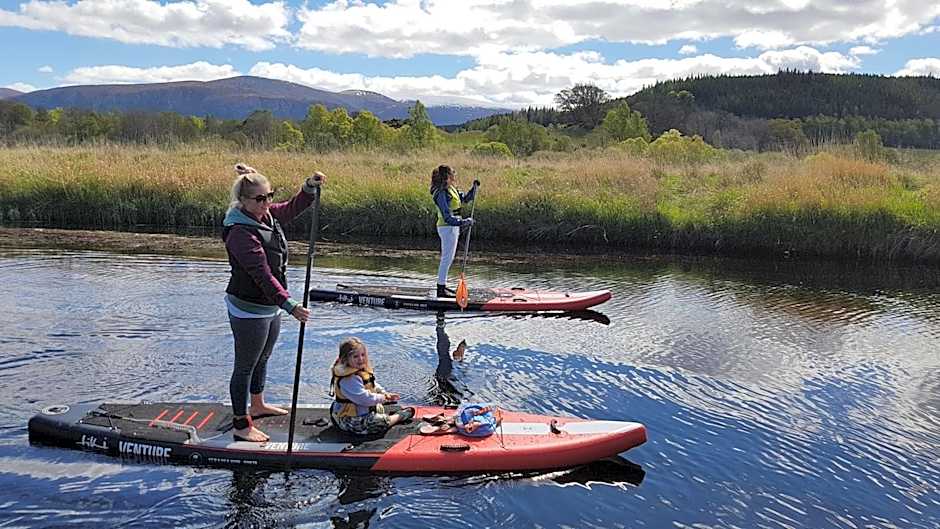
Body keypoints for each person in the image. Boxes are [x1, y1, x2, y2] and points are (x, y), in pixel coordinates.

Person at [223, 162, 325, 442]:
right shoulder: (240, 233)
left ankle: (257, 405)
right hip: (248, 307)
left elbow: (291, 208)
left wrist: (308, 188)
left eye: (269, 196)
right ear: (242, 201)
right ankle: (241, 424)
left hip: (269, 306)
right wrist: (290, 305)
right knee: (245, 365)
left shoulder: (266, 215)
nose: (267, 202)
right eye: (259, 198)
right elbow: (262, 275)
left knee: (263, 357)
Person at [330, 337, 416, 435]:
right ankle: (398, 417)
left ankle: (381, 411)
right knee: (378, 423)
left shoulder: (359, 371)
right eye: (355, 356)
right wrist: (383, 398)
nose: (361, 359)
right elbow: (364, 398)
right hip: (351, 420)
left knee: (377, 404)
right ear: (345, 359)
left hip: (360, 409)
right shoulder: (348, 380)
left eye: (363, 355)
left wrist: (383, 393)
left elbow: (372, 385)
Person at [430, 165, 479, 298]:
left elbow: (465, 199)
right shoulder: (441, 193)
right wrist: (464, 222)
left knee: (449, 258)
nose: (455, 175)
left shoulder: (452, 189)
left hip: (453, 227)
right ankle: (441, 289)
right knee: (447, 258)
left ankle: (443, 286)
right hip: (446, 227)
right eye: (453, 173)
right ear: (447, 176)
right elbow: (447, 216)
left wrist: (474, 189)